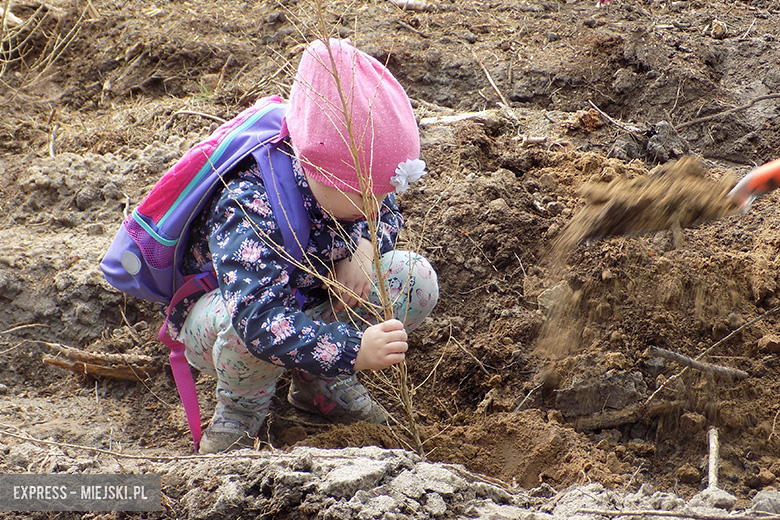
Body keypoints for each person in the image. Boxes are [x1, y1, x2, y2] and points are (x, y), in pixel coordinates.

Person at [167, 39, 439, 454]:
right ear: (319, 171)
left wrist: (364, 246)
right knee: (248, 332)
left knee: (413, 278)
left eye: (383, 194)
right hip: (228, 321)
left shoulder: (356, 183)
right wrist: (354, 351)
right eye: (365, 197)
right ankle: (241, 410)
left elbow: (389, 215)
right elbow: (259, 320)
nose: (376, 205)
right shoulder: (249, 201)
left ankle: (318, 384)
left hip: (308, 303)